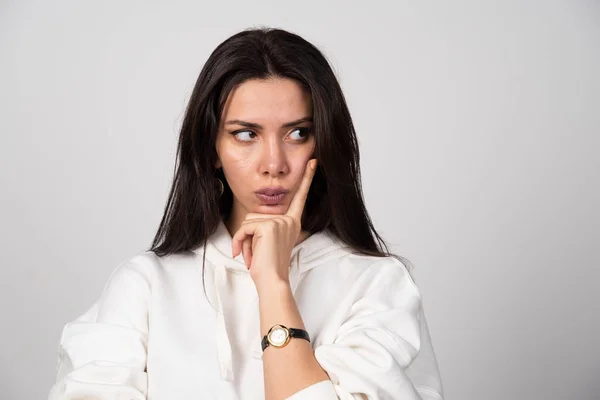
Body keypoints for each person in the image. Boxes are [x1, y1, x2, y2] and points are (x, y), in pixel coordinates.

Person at [48, 27, 444, 400]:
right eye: (245, 134)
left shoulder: (376, 285)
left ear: (322, 144)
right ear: (212, 150)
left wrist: (274, 285)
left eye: (298, 133)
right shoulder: (146, 286)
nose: (274, 163)